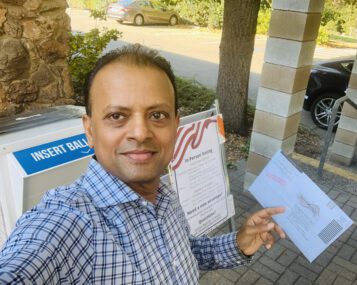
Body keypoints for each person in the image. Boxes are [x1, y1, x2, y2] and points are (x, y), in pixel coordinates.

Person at [0, 44, 285, 284]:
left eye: (157, 115)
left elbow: (182, 253)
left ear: (176, 125)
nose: (140, 132)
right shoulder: (69, 221)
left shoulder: (163, 194)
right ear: (89, 130)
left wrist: (240, 241)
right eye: (116, 116)